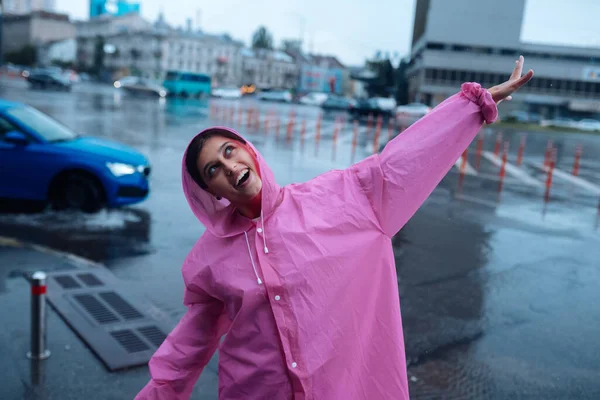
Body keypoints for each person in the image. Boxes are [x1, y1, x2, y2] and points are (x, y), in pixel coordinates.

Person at [136, 57, 534, 399]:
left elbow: (399, 163)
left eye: (229, 151)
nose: (228, 167)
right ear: (211, 192)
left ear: (248, 152)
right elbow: (189, 345)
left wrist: (472, 107)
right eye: (213, 170)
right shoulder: (211, 258)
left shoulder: (340, 199)